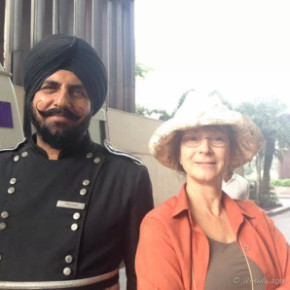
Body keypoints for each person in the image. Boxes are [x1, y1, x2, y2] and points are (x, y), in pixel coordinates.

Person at [0, 34, 153, 290]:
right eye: (50, 87)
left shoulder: (126, 176)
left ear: (92, 103)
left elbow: (144, 277)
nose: (61, 101)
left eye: (77, 91)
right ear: (31, 94)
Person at [135, 92, 290, 290]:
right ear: (179, 154)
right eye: (192, 138)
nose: (205, 148)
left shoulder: (256, 217)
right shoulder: (160, 225)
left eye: (218, 138)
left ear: (229, 152)